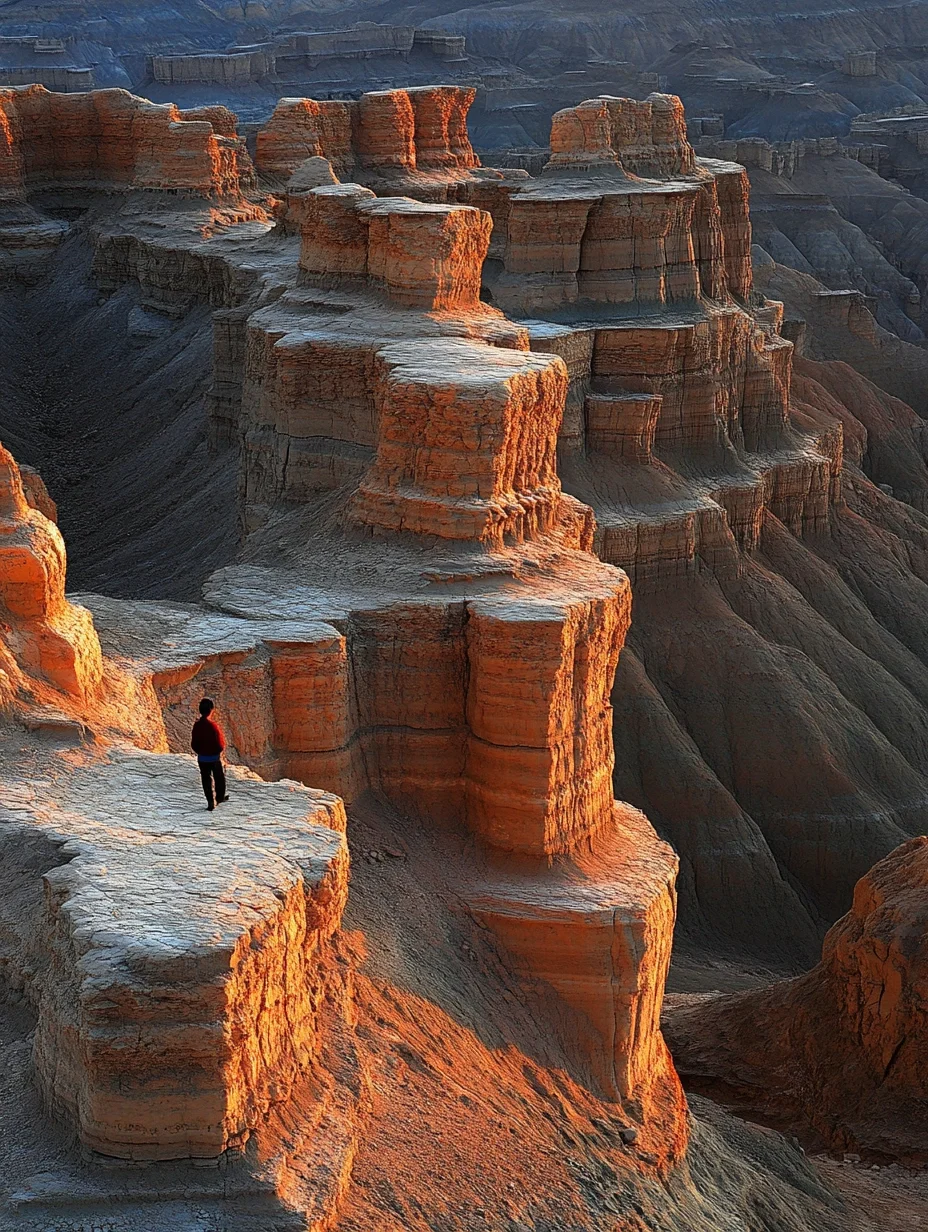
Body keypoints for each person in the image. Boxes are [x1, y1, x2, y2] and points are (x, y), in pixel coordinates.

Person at [191, 697, 229, 811]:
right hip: (214, 757)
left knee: (206, 779)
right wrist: (218, 751)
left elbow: (194, 742)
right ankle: (219, 797)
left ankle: (210, 802)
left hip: (202, 758)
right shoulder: (213, 726)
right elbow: (220, 743)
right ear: (211, 710)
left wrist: (200, 751)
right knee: (219, 778)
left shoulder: (197, 725)